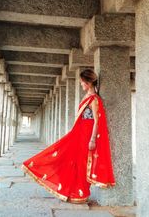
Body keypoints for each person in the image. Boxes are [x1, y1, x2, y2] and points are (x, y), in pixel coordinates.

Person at [21, 68, 116, 203]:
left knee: (82, 164)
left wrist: (93, 140)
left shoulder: (94, 100)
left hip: (87, 136)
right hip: (78, 134)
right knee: (66, 156)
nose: (81, 84)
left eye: (82, 82)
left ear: (88, 83)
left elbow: (97, 121)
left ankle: (81, 193)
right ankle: (72, 190)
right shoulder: (86, 97)